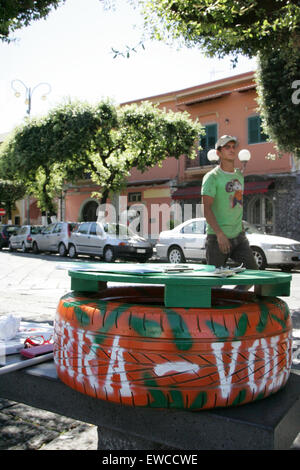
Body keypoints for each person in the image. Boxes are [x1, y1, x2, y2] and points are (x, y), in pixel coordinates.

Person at [201, 135, 258, 272]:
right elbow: (207, 209)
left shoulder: (239, 176)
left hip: (238, 237)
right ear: (218, 153)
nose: (232, 150)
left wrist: (242, 230)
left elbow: (237, 203)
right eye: (227, 147)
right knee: (216, 283)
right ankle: (219, 294)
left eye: (233, 147)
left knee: (253, 273)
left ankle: (238, 294)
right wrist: (220, 234)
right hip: (217, 239)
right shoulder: (212, 177)